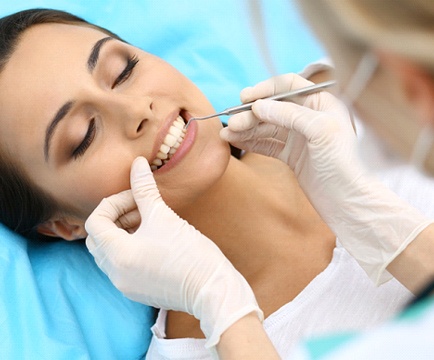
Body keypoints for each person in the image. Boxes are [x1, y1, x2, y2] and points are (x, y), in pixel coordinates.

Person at [0, 7, 416, 360]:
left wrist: (383, 225)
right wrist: (225, 313)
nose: (135, 110)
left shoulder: (367, 98)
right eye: (83, 135)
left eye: (122, 70)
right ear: (65, 225)